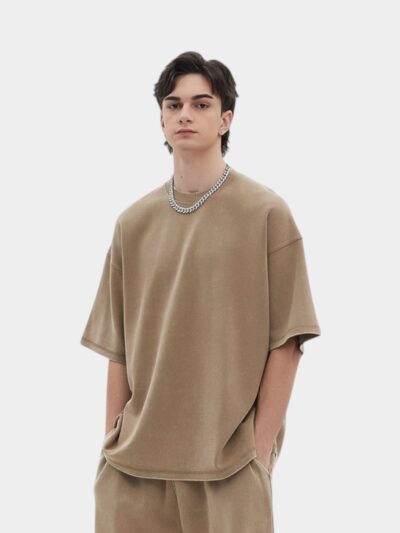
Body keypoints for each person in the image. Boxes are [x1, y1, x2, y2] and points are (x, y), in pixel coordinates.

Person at [80, 51, 321, 533]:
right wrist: (110, 445)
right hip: (134, 472)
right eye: (173, 105)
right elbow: (118, 349)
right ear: (161, 120)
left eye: (201, 104)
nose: (184, 114)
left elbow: (288, 341)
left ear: (225, 119)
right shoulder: (133, 223)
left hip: (229, 470)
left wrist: (259, 451)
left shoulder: (267, 214)